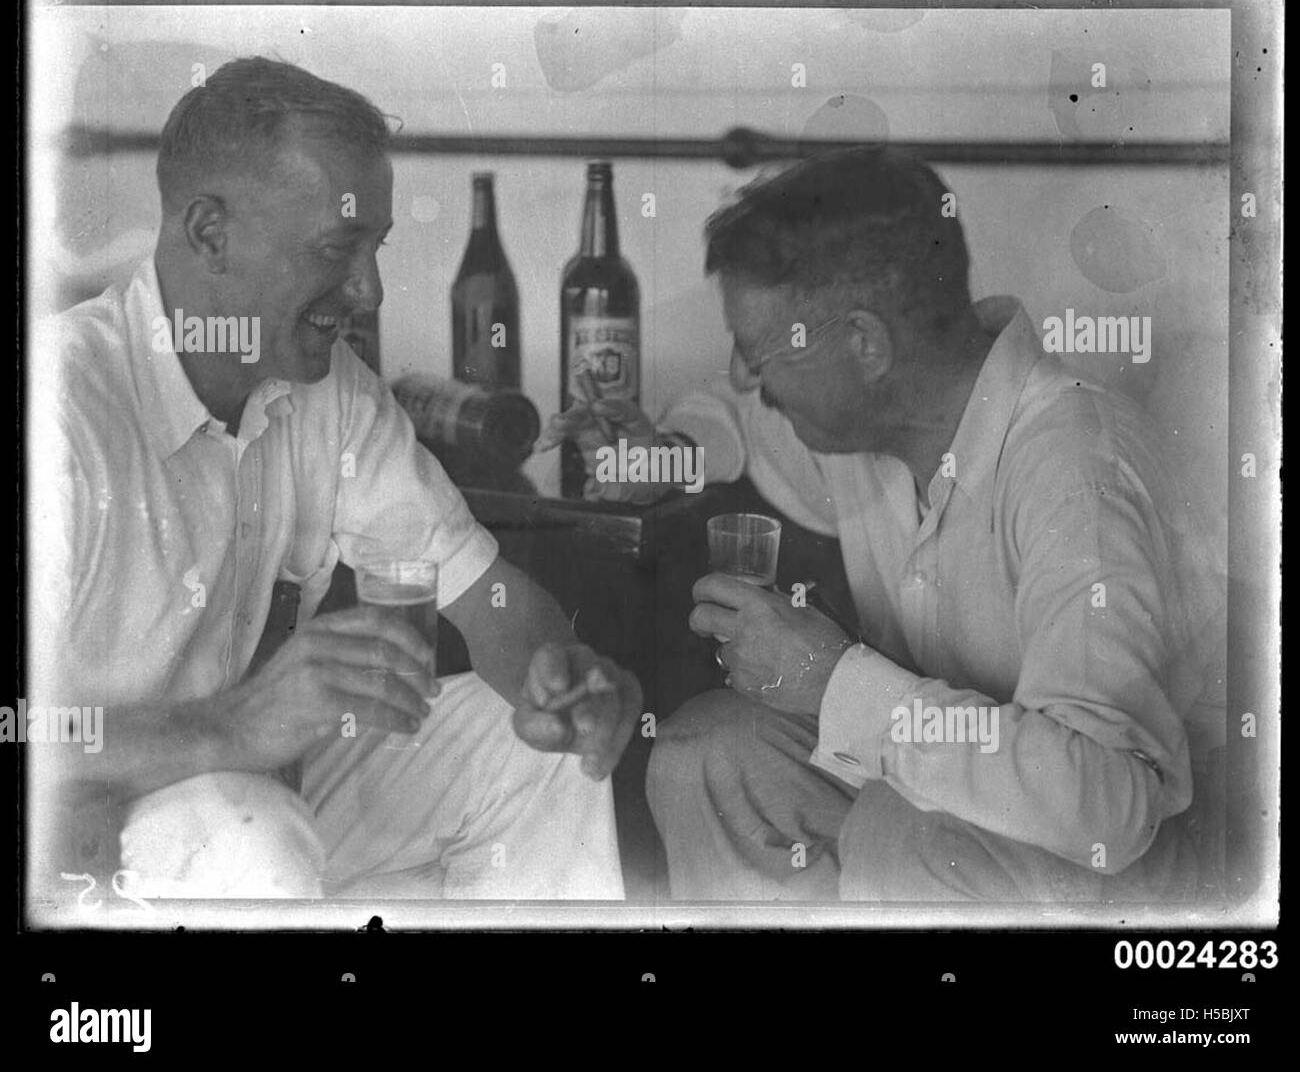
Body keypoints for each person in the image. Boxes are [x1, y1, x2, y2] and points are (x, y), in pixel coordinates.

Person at [28, 57, 639, 905]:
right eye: (337, 248)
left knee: (533, 750)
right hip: (67, 829)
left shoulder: (328, 388)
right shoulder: (55, 414)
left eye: (374, 247)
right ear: (210, 232)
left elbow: (483, 591)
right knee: (253, 838)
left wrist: (558, 680)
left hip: (242, 778)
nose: (369, 289)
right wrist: (235, 724)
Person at [544, 146, 1226, 902]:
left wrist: (832, 681)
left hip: (1142, 858)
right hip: (961, 798)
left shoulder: (1077, 475)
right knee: (703, 753)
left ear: (865, 344)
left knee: (901, 839)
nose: (742, 372)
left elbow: (1112, 802)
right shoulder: (870, 423)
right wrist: (664, 457)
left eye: (755, 348)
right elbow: (732, 411)